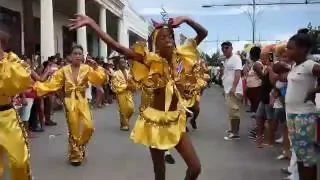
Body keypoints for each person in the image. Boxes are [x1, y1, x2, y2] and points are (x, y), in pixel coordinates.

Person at [69, 14, 207, 179]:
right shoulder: (149, 60)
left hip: (176, 120)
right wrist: (93, 24)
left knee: (195, 167)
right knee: (159, 172)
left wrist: (185, 19)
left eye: (170, 35)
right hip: (155, 122)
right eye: (162, 37)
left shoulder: (181, 57)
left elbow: (203, 34)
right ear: (156, 44)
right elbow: (118, 47)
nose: (168, 39)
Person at [33, 45, 107, 166]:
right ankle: (75, 154)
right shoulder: (64, 70)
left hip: (82, 100)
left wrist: (96, 66)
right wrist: (37, 87)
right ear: (71, 56)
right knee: (74, 128)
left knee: (89, 126)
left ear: (83, 56)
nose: (78, 56)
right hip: (69, 101)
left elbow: (100, 79)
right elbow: (53, 84)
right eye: (75, 53)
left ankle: (80, 146)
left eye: (80, 54)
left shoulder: (87, 68)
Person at [285, 30, 320, 180]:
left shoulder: (309, 65)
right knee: (300, 155)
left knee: (307, 159)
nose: (287, 51)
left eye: (291, 48)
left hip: (304, 117)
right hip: (293, 115)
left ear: (303, 49)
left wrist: (316, 89)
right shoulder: (295, 67)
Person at [0, 22, 32, 180]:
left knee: (19, 162)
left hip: (7, 116)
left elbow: (22, 82)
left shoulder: (12, 60)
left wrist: (3, 61)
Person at [221, 41, 243, 140]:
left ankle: (235, 133)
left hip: (234, 89)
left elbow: (238, 73)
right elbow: (226, 75)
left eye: (226, 48)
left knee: (234, 111)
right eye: (223, 48)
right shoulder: (226, 60)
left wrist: (233, 87)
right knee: (230, 111)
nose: (225, 50)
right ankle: (232, 129)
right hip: (227, 89)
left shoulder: (236, 58)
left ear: (231, 48)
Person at [110, 53, 135, 131]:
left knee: (131, 108)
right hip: (121, 93)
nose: (124, 64)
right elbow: (115, 85)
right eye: (122, 62)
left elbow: (133, 82)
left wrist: (133, 86)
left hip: (128, 93)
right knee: (123, 109)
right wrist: (126, 86)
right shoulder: (115, 74)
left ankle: (124, 120)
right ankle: (124, 125)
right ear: (118, 64)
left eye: (124, 62)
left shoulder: (129, 72)